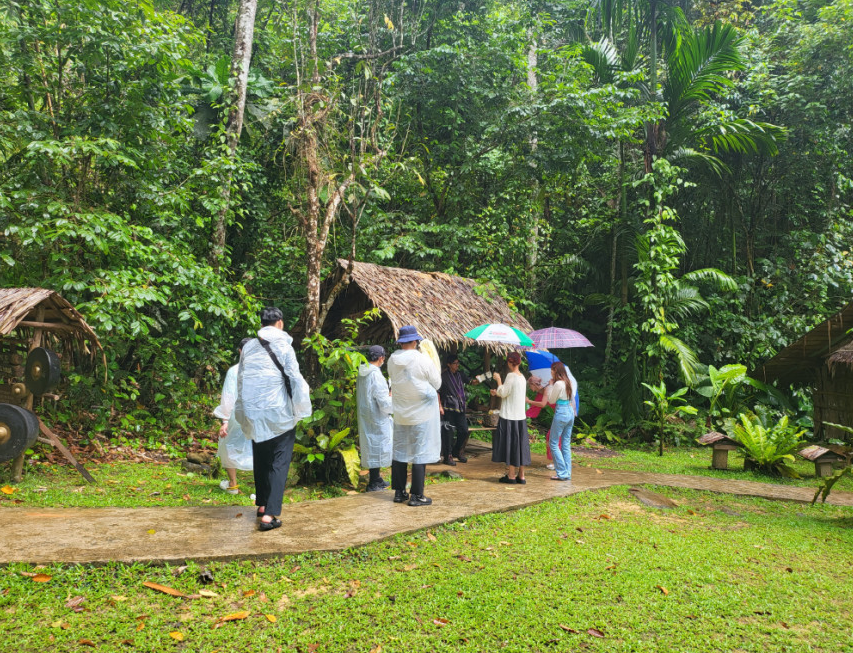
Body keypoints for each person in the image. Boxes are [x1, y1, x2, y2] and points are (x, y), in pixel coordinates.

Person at [234, 307, 312, 531]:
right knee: (279, 461)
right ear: (280, 323)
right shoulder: (283, 345)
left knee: (261, 458)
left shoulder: (249, 346)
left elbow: (241, 380)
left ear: (261, 323)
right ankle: (270, 515)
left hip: (254, 412)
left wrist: (242, 411)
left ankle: (261, 504)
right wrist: (301, 407)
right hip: (279, 414)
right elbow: (294, 377)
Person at [387, 325, 441, 506]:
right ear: (415, 341)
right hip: (422, 415)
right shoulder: (423, 360)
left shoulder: (391, 360)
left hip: (402, 414)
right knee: (420, 453)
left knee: (400, 452)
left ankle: (399, 492)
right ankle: (417, 495)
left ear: (401, 342)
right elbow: (437, 383)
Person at [213, 338, 254, 495]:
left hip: (236, 416)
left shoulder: (234, 371)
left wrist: (225, 421)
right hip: (255, 417)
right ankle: (260, 490)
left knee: (228, 446)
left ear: (239, 351)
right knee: (259, 450)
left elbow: (228, 397)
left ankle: (233, 484)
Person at [527, 362, 575, 481]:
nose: (551, 373)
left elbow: (552, 400)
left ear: (555, 371)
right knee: (565, 443)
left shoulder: (558, 384)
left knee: (553, 443)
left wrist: (551, 386)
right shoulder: (568, 382)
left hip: (561, 412)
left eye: (551, 371)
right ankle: (567, 472)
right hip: (570, 412)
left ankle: (562, 473)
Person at [490, 351, 530, 484]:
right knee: (520, 445)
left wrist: (498, 380)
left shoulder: (510, 376)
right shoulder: (522, 378)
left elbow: (504, 392)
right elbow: (509, 393)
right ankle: (521, 475)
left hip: (510, 416)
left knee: (511, 445)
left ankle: (511, 475)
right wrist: (499, 392)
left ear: (509, 362)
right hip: (520, 417)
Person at [357, 345, 393, 492]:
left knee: (372, 447)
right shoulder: (376, 375)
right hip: (377, 416)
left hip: (367, 415)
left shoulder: (362, 372)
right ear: (381, 358)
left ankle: (376, 478)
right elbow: (384, 403)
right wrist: (392, 396)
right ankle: (373, 483)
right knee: (377, 446)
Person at [438, 354, 479, 465]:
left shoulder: (460, 375)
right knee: (448, 432)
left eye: (458, 363)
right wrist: (440, 406)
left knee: (464, 430)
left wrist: (481, 378)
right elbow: (437, 391)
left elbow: (472, 382)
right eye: (455, 363)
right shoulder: (443, 376)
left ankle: (457, 451)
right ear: (449, 364)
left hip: (459, 407)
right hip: (447, 408)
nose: (457, 365)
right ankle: (448, 456)